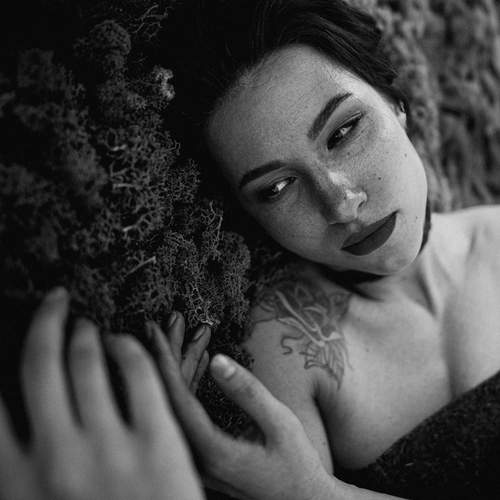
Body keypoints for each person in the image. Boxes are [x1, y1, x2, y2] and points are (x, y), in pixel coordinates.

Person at [156, 0, 500, 496]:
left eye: (343, 131)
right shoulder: (284, 346)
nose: (340, 203)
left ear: (395, 102)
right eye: (277, 188)